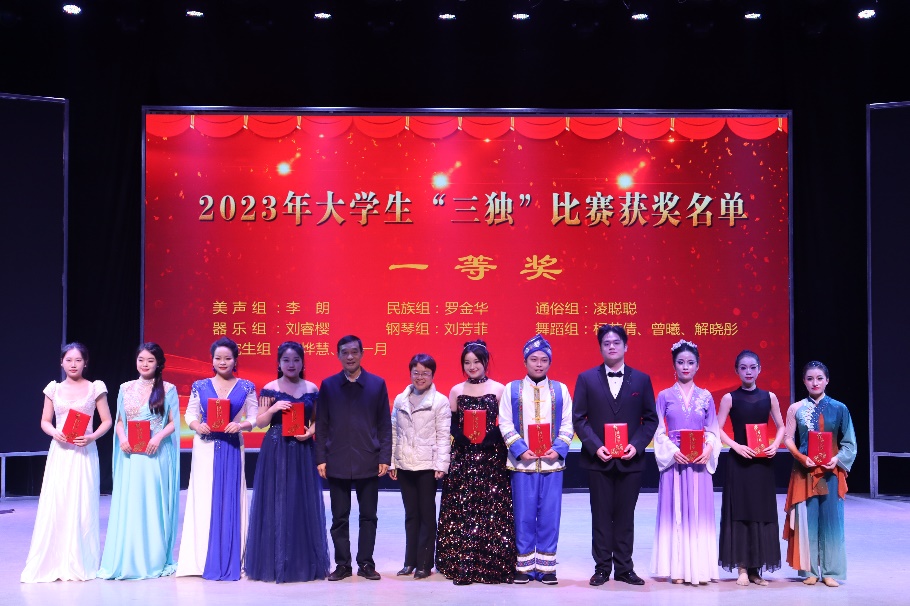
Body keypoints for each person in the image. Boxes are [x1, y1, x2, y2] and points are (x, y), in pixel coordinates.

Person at [573, 324, 658, 587]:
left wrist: (637, 445)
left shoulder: (641, 379)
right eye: (606, 343)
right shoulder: (586, 378)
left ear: (626, 346)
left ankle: (624, 568)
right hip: (598, 460)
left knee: (625, 516)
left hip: (631, 461)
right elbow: (579, 419)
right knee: (600, 516)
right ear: (600, 348)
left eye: (616, 342)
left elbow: (650, 419)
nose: (611, 346)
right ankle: (601, 569)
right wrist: (595, 446)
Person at [21, 342, 112, 583]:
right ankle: (54, 560)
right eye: (69, 360)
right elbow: (45, 420)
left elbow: (106, 420)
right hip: (60, 452)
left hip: (84, 452)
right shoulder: (53, 389)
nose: (73, 364)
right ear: (61, 362)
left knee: (82, 504)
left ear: (85, 363)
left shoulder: (95, 388)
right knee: (58, 502)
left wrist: (91, 436)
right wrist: (54, 432)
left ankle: (81, 560)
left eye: (78, 360)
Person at [245, 341, 330, 583]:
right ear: (278, 363)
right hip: (276, 449)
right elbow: (260, 422)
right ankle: (275, 563)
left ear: (302, 362)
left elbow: (318, 420)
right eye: (286, 360)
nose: (291, 364)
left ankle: (301, 562)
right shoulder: (270, 389)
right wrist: (274, 409)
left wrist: (310, 432)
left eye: (296, 360)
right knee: (276, 501)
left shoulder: (311, 387)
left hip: (302, 449)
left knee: (301, 501)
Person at [176, 337, 258, 581]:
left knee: (231, 497)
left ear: (235, 360)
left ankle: (232, 556)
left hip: (232, 446)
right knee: (204, 499)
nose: (223, 362)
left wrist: (240, 425)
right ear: (211, 360)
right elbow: (190, 414)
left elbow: (254, 417)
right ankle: (201, 559)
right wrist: (196, 425)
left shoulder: (246, 386)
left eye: (228, 358)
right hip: (205, 446)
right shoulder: (200, 386)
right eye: (218, 358)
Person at [436, 340, 516, 585]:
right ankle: (462, 562)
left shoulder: (500, 389)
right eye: (467, 362)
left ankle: (491, 564)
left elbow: (507, 422)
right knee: (463, 508)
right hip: (464, 458)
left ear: (485, 362)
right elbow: (451, 423)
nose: (472, 367)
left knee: (490, 510)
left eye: (476, 362)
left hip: (491, 458)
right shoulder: (456, 391)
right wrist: (459, 435)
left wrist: (492, 437)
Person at [98, 343, 180, 580]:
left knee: (152, 504)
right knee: (132, 504)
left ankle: (153, 558)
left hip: (155, 454)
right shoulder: (125, 387)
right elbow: (120, 421)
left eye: (150, 360)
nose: (145, 364)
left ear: (158, 363)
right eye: (141, 360)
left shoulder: (168, 389)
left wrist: (158, 437)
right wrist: (122, 438)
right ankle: (129, 556)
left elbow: (174, 422)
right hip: (131, 455)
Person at [315, 335, 392, 582]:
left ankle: (366, 563)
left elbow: (385, 424)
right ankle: (343, 564)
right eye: (345, 352)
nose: (350, 357)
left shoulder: (377, 384)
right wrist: (320, 458)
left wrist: (385, 456)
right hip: (336, 459)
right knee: (339, 517)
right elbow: (322, 425)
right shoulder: (328, 385)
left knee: (368, 516)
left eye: (354, 352)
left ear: (362, 354)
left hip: (368, 458)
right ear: (338, 355)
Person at [498, 334, 573, 585]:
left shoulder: (561, 390)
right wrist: (519, 449)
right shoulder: (512, 389)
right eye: (534, 359)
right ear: (525, 361)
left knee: (550, 515)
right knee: (523, 515)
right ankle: (524, 567)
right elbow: (505, 422)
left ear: (550, 362)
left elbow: (568, 423)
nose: (539, 364)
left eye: (544, 360)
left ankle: (547, 567)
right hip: (522, 464)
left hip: (552, 463)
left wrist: (558, 448)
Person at [650, 340, 720, 585]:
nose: (686, 366)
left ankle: (699, 569)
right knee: (675, 512)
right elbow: (658, 429)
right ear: (674, 365)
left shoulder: (706, 396)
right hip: (675, 462)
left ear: (698, 365)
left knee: (699, 512)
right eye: (681, 362)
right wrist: (672, 451)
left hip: (699, 462)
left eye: (690, 362)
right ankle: (677, 569)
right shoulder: (664, 396)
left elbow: (713, 428)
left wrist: (709, 448)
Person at [783, 361, 856, 587]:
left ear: (827, 380)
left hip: (831, 471)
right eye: (810, 379)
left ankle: (831, 571)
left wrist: (837, 458)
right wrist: (800, 456)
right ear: (804, 381)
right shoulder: (796, 408)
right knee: (808, 519)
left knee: (832, 520)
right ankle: (810, 570)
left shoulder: (840, 408)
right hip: (804, 470)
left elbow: (849, 442)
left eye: (819, 378)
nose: (815, 383)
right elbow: (788, 438)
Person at [716, 350, 785, 586]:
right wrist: (736, 446)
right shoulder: (729, 398)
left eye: (753, 367)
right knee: (740, 512)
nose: (748, 371)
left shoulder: (769, 397)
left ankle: (757, 570)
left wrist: (775, 445)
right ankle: (742, 568)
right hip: (740, 462)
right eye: (743, 367)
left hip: (762, 462)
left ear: (759, 369)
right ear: (737, 370)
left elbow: (781, 426)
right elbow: (717, 428)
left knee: (761, 512)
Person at [389, 353, 451, 580]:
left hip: (427, 466)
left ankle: (425, 563)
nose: (420, 377)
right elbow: (393, 432)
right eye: (416, 372)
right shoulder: (400, 400)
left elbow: (443, 436)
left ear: (433, 375)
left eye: (425, 373)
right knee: (410, 515)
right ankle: (409, 562)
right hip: (405, 464)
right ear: (410, 373)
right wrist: (392, 462)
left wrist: (441, 464)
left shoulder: (440, 401)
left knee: (426, 515)